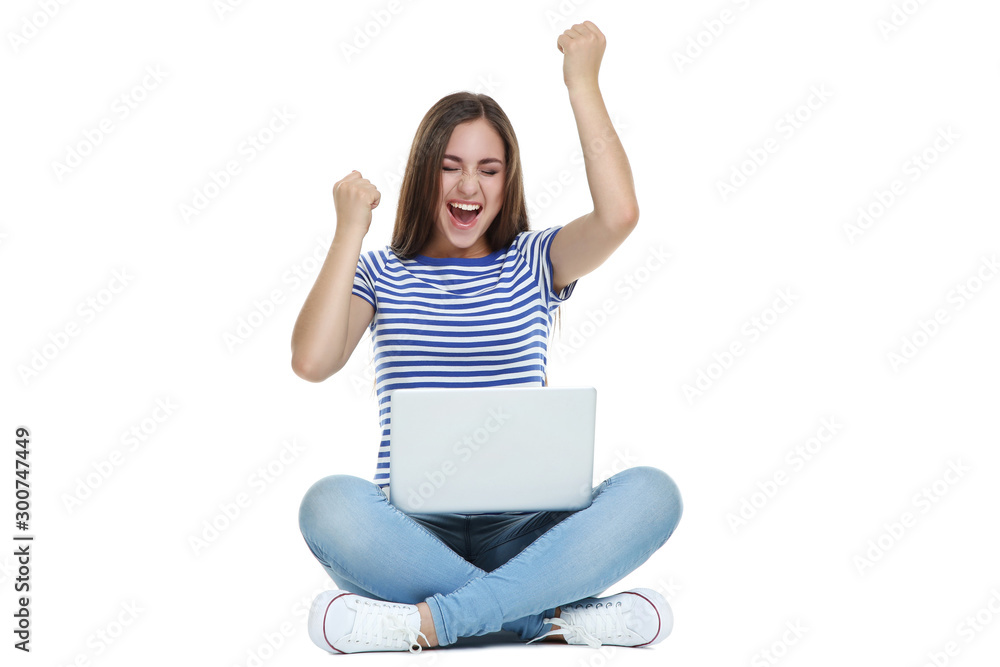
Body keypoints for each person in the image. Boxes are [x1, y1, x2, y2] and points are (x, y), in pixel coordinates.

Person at [291, 20, 682, 654]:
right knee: (328, 506)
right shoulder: (380, 272)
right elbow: (311, 360)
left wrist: (582, 83)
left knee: (653, 493)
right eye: (450, 167)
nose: (469, 187)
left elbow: (620, 215)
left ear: (507, 182)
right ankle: (550, 618)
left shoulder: (534, 260)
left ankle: (432, 624)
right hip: (409, 537)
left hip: (528, 531)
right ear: (426, 176)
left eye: (488, 170)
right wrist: (348, 231)